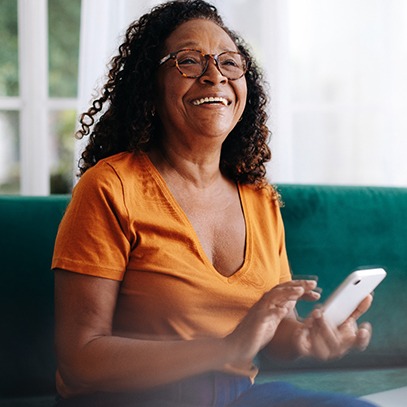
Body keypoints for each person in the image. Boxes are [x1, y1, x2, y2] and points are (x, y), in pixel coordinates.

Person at [52, 1, 377, 406]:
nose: (214, 75)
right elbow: (79, 358)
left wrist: (309, 338)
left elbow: (275, 336)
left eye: (229, 62)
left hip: (237, 396)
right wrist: (225, 347)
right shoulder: (111, 186)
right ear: (150, 87)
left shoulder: (258, 197)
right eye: (188, 61)